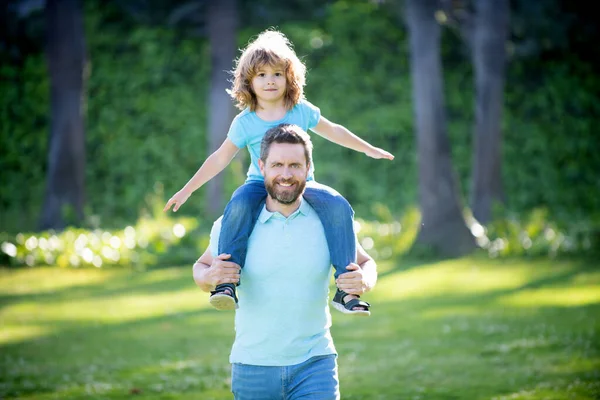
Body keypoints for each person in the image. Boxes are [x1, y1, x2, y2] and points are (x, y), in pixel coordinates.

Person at [165, 29, 391, 314]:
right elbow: (219, 158)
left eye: (277, 74)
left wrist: (367, 148)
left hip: (302, 183)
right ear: (249, 81)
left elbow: (333, 130)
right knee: (237, 206)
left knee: (338, 206)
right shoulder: (244, 122)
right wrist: (187, 190)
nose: (269, 81)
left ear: (289, 78)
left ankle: (347, 290)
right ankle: (225, 284)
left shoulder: (300, 110)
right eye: (261, 75)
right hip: (259, 183)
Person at [193, 124, 377, 400]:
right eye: (277, 165)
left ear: (308, 168)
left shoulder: (329, 221)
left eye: (294, 165)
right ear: (262, 166)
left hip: (315, 364)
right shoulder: (233, 224)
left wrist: (364, 280)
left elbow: (366, 263)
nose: (286, 175)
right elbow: (201, 267)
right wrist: (210, 278)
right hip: (252, 366)